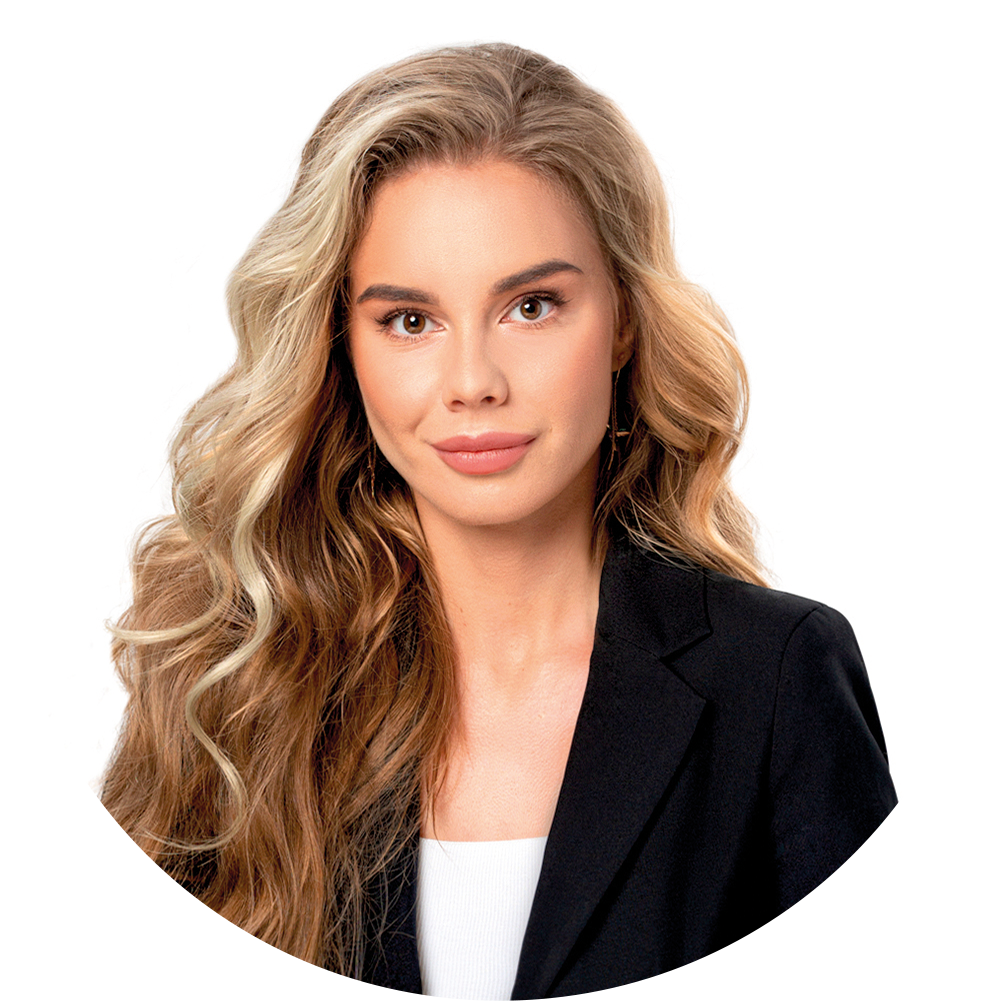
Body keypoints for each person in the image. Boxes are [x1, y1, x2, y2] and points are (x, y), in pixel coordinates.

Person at [55, 43, 944, 1001]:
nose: (473, 381)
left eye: (532, 305)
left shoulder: (769, 675)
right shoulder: (233, 676)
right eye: (409, 320)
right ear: (339, 343)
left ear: (624, 321)